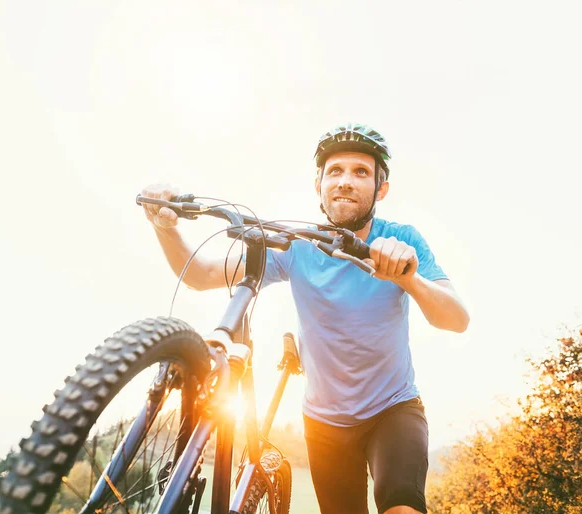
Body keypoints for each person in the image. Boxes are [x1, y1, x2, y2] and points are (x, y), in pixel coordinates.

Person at [140, 123, 469, 514]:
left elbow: (456, 319)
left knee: (402, 509)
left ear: (381, 189)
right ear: (319, 185)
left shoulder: (401, 241)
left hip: (393, 409)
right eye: (335, 171)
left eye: (361, 172)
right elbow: (202, 274)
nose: (346, 181)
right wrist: (165, 230)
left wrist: (409, 277)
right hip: (325, 423)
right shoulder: (298, 246)